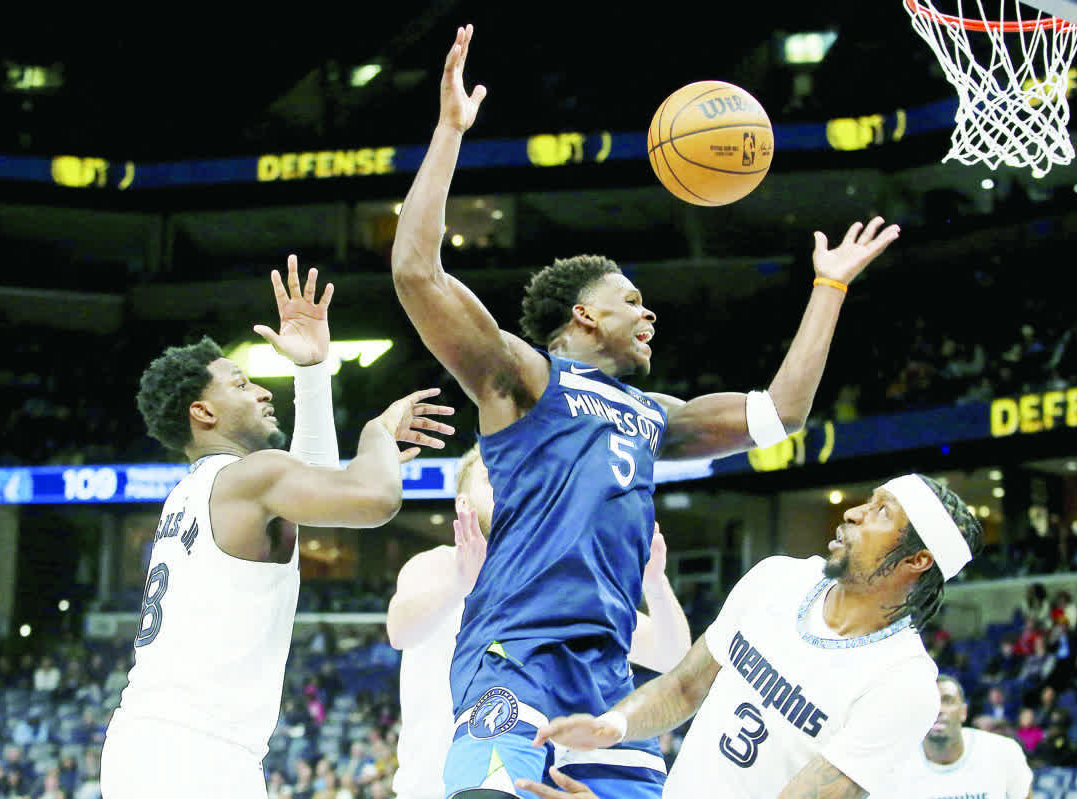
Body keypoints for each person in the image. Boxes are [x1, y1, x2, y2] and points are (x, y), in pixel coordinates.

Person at [392, 24, 902, 799]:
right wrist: (448, 131)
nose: (649, 313)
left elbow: (781, 415)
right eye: (631, 300)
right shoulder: (524, 380)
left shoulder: (656, 413)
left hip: (607, 676)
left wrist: (828, 289)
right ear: (583, 318)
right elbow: (417, 272)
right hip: (514, 652)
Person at [100, 256, 455, 799]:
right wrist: (377, 433)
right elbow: (375, 499)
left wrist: (313, 372)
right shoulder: (251, 477)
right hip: (195, 754)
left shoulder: (199, 489)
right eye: (242, 384)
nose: (263, 391)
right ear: (204, 413)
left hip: (163, 746)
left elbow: (308, 486)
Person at [524, 474, 982, 799]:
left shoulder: (903, 683)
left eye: (882, 511)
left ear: (917, 561)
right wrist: (614, 726)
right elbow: (685, 687)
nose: (854, 512)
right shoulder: (776, 578)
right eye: (870, 499)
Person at [387, 446, 691, 799]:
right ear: (463, 504)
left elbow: (671, 657)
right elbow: (400, 630)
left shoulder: (568, 585)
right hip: (430, 788)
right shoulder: (438, 565)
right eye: (492, 475)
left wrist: (655, 584)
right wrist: (461, 584)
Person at [873, 675, 1033, 799]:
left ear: (963, 712)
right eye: (928, 701)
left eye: (947, 701)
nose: (937, 709)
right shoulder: (893, 765)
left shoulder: (1003, 752)